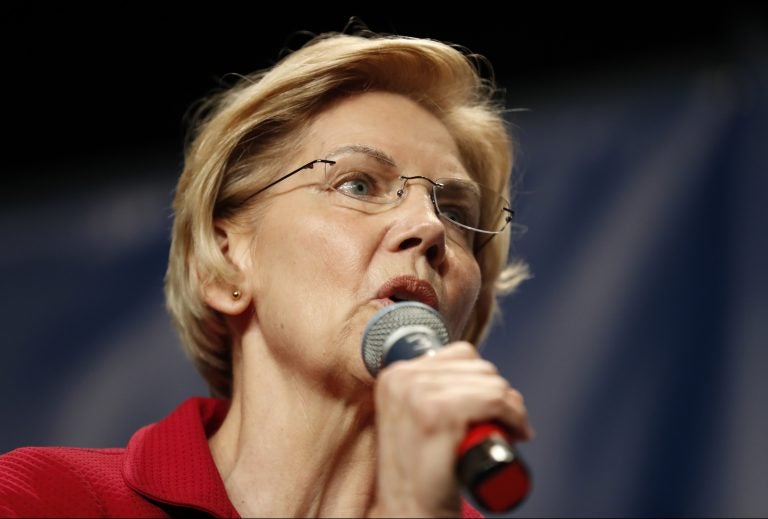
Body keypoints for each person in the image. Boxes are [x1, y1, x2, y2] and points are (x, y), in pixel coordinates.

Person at [0, 26, 533, 518]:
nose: (428, 226)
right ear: (225, 263)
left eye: (457, 212)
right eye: (358, 185)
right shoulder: (47, 498)